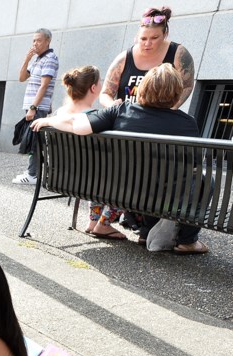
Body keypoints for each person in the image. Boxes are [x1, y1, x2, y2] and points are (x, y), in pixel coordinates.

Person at [33, 64, 208, 254]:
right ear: (176, 93)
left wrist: (49, 121)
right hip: (163, 198)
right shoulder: (187, 123)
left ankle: (146, 231)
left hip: (120, 193)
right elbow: (193, 167)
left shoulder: (122, 111)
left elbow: (78, 125)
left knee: (140, 175)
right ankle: (187, 240)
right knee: (205, 180)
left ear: (144, 87)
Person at [52, 66, 127, 240]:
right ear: (93, 88)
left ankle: (93, 222)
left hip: (66, 179)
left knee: (95, 175)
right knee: (119, 179)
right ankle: (102, 223)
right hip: (95, 182)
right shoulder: (95, 118)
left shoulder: (59, 115)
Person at [100, 6, 195, 109]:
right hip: (126, 120)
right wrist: (113, 106)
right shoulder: (124, 58)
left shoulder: (179, 54)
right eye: (143, 39)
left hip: (159, 120)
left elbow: (187, 86)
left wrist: (170, 111)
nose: (148, 43)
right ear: (137, 37)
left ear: (165, 34)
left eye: (154, 38)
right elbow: (105, 93)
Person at [12, 28, 59, 185]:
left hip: (37, 107)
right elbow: (21, 78)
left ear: (47, 41)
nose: (35, 43)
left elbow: (44, 86)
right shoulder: (37, 59)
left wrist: (33, 107)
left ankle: (33, 174)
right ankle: (32, 172)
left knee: (35, 141)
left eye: (38, 40)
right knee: (33, 139)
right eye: (33, 40)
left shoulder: (50, 58)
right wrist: (27, 59)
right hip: (33, 106)